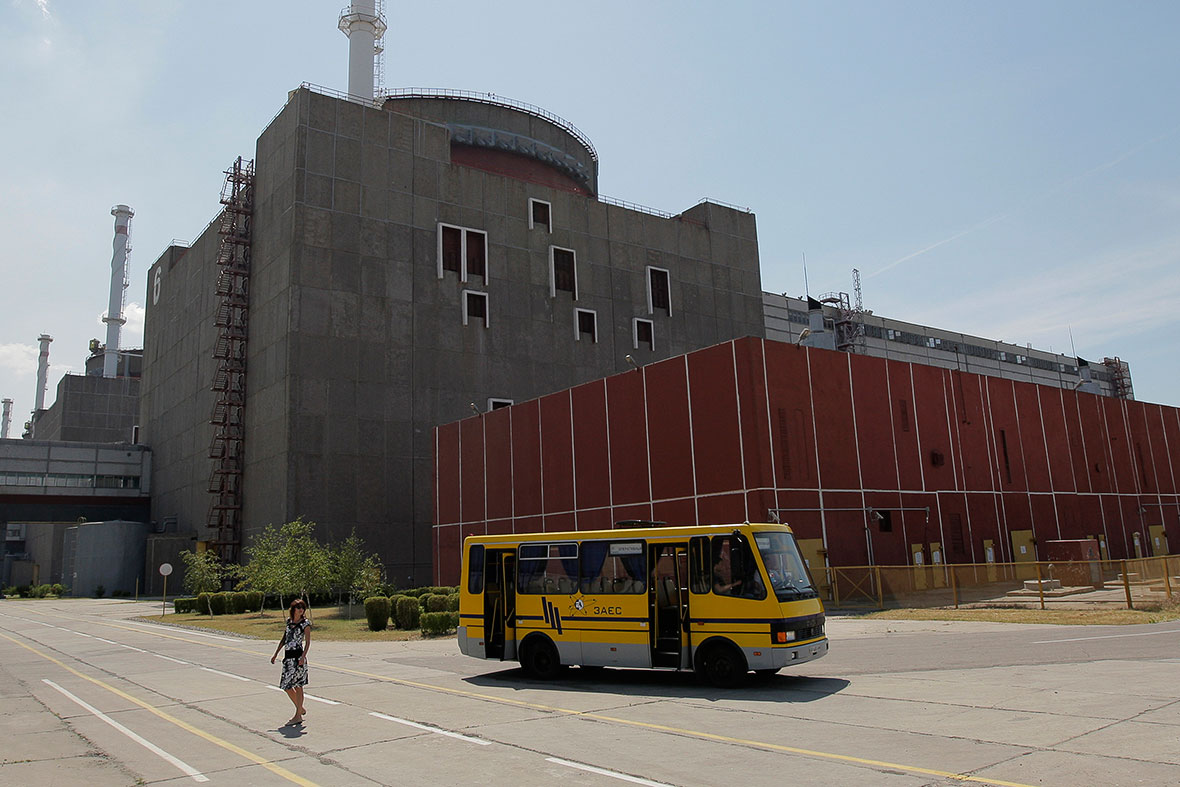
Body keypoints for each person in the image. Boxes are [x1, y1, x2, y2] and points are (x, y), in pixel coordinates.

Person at [271, 598, 312, 726]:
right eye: (298, 607)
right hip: (288, 658)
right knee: (286, 686)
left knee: (298, 686)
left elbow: (308, 642)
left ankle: (298, 715)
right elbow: (284, 639)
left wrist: (303, 657)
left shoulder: (305, 624)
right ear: (293, 609)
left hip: (298, 658)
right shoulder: (289, 622)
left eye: (302, 608)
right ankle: (300, 708)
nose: (301, 610)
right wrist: (276, 653)